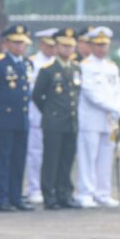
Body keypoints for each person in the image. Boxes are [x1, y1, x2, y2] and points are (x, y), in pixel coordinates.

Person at [0, 25, 34, 212]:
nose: (20, 47)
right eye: (16, 43)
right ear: (7, 43)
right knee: (1, 159)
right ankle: (0, 197)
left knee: (18, 159)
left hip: (21, 118)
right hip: (3, 118)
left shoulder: (26, 64)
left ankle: (15, 195)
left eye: (23, 43)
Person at [32, 28, 81, 210]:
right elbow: (37, 95)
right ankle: (49, 194)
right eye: (63, 46)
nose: (67, 49)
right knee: (51, 160)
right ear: (57, 47)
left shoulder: (76, 69)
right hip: (54, 121)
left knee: (66, 159)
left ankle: (64, 193)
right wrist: (49, 112)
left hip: (71, 121)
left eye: (70, 46)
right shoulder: (49, 70)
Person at [75, 26, 120, 208]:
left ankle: (103, 192)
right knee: (88, 157)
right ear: (91, 46)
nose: (102, 49)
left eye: (105, 45)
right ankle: (86, 193)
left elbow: (118, 90)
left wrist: (119, 108)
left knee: (106, 156)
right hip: (91, 120)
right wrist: (113, 107)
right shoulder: (85, 66)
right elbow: (91, 93)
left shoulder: (112, 67)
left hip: (109, 120)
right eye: (98, 45)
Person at [25, 28, 57, 205]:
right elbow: (33, 91)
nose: (52, 49)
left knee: (52, 154)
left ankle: (51, 187)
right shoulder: (32, 63)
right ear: (41, 44)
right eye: (49, 45)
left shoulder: (59, 63)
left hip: (56, 116)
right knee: (35, 153)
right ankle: (34, 188)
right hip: (37, 113)